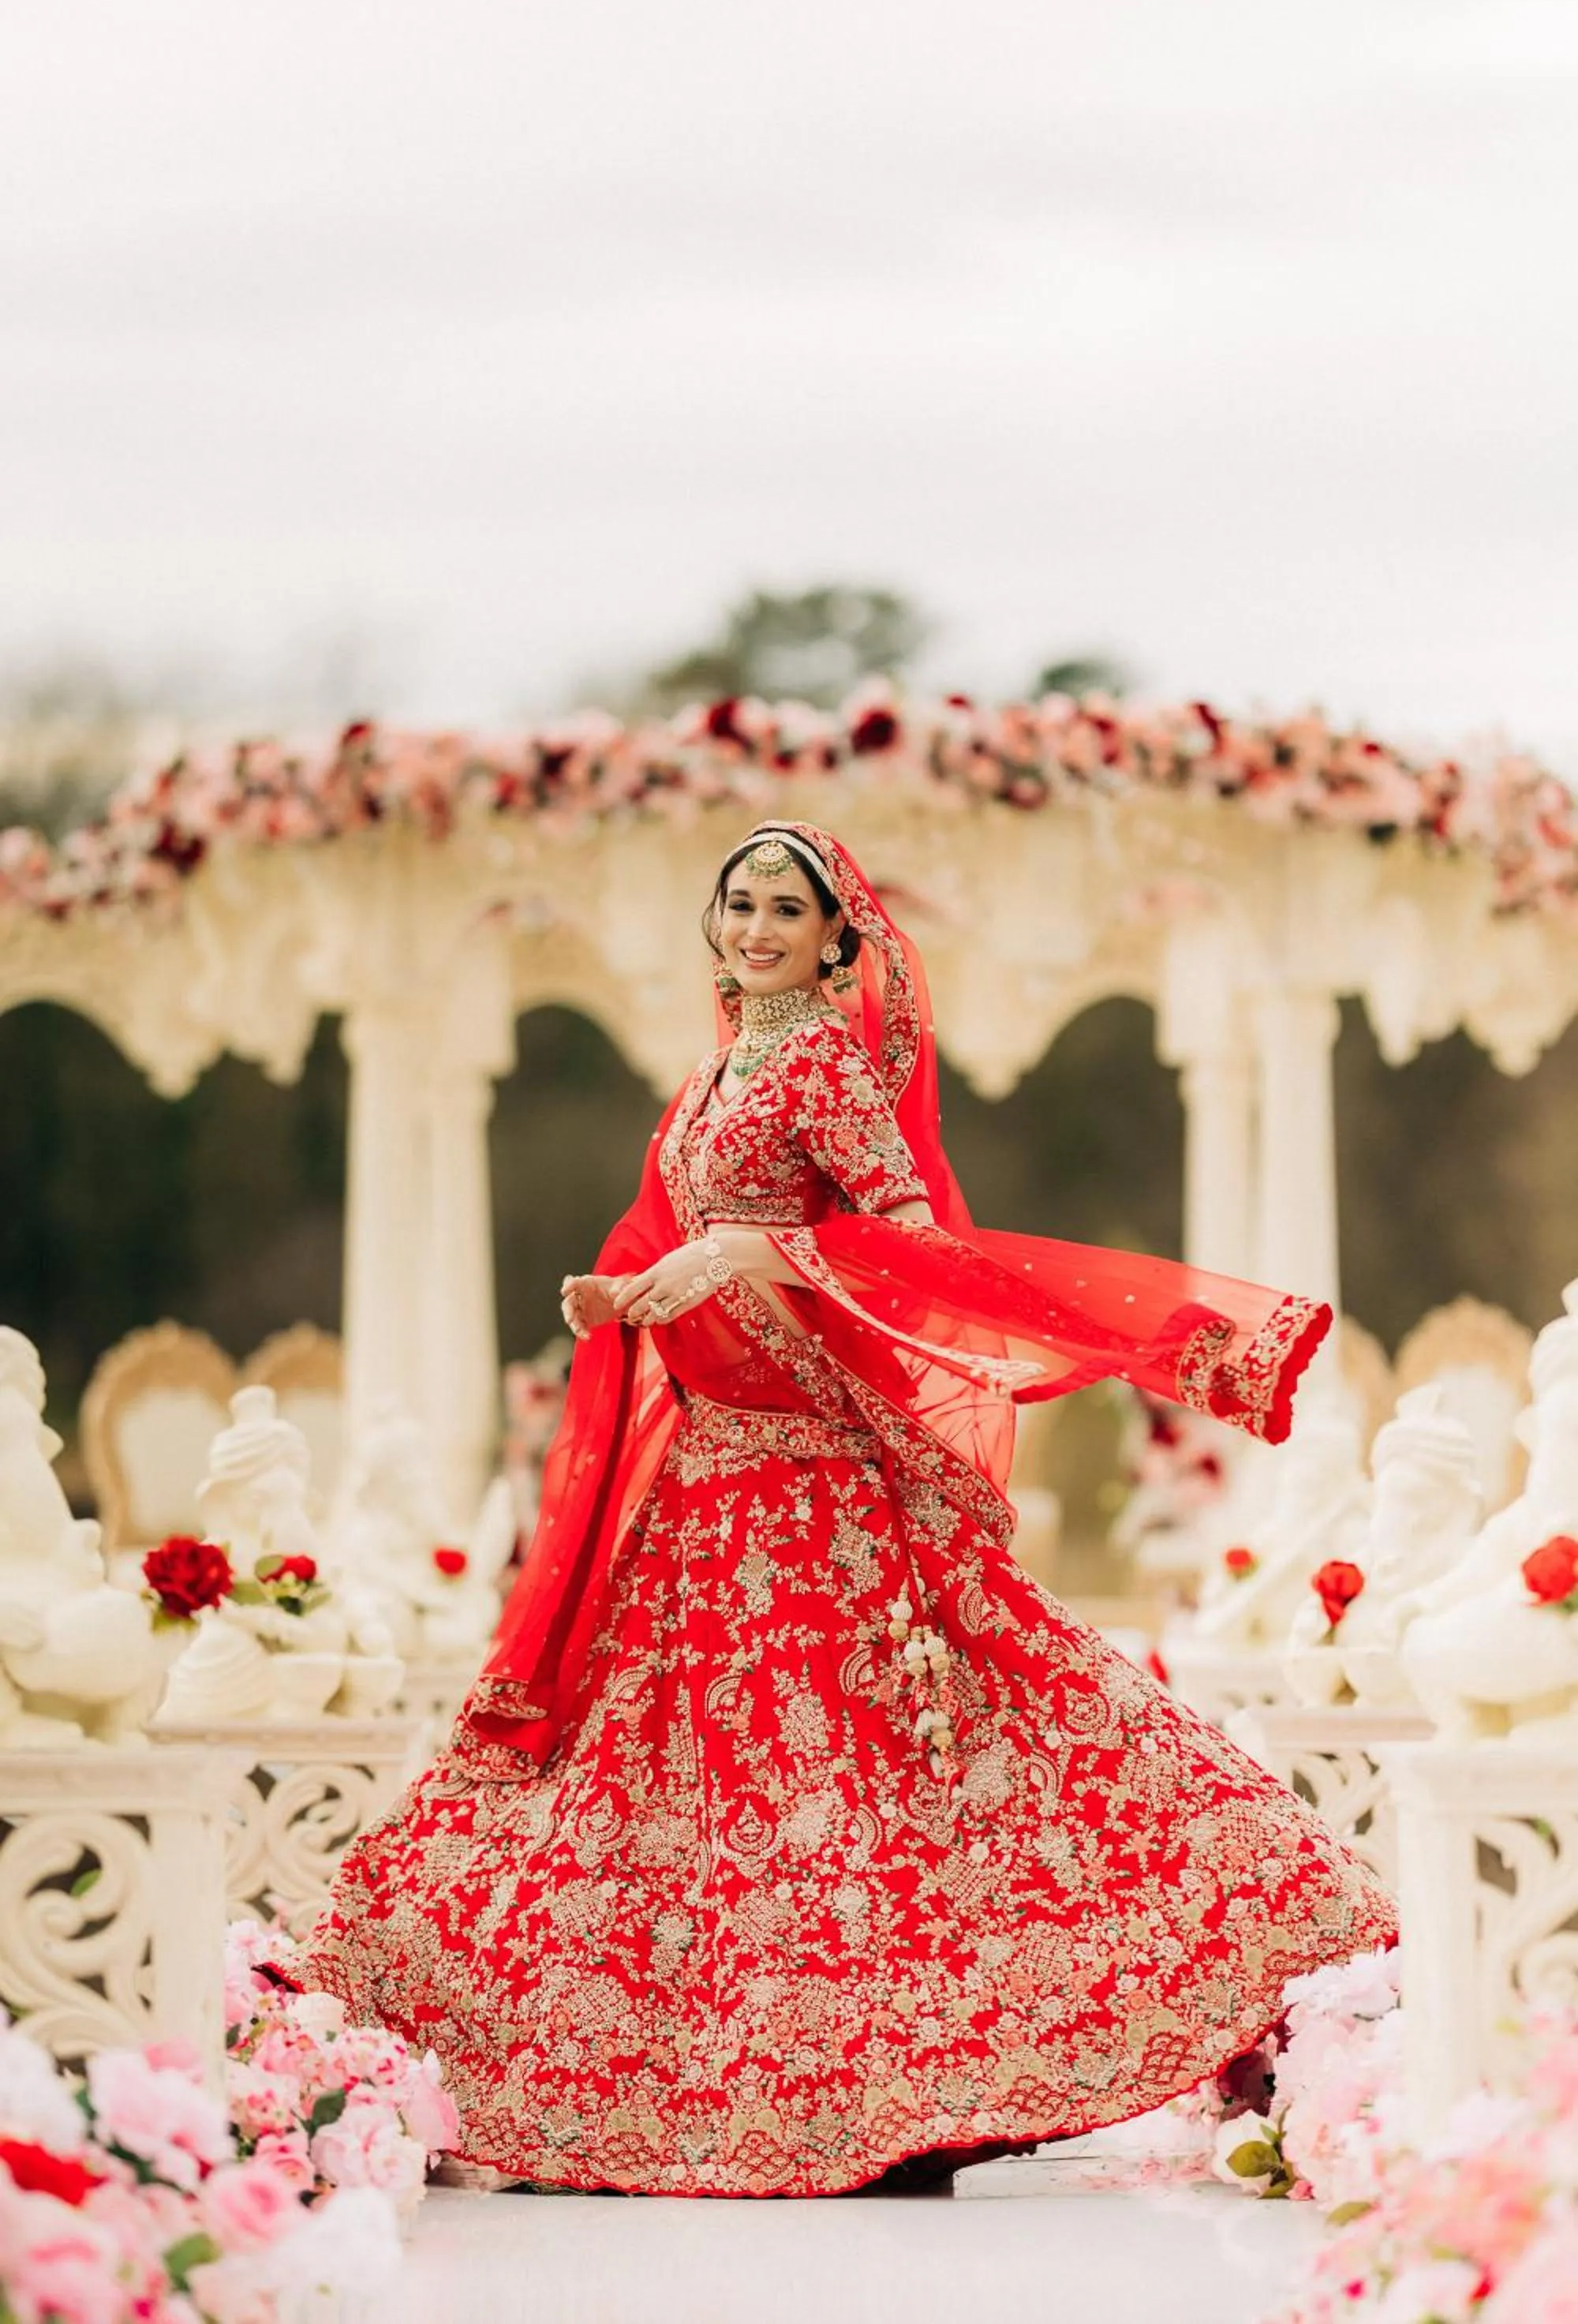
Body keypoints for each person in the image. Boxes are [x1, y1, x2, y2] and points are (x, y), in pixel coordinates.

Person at [296, 820, 1397, 2197]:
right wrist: (624, 1296)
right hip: (705, 1483)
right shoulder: (721, 1063)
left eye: (786, 909)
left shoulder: (819, 1059)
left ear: (837, 939)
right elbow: (672, 1243)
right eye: (740, 902)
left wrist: (763, 1247)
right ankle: (704, 2075)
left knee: (860, 1766)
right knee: (675, 1776)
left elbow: (911, 1243)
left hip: (813, 1487)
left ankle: (1194, 1949)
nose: (757, 925)